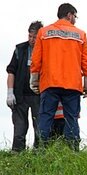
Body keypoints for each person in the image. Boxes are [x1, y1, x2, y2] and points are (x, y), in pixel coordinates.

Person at [30, 3, 87, 150]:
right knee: (72, 118)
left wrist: (34, 81)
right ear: (69, 15)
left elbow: (36, 59)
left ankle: (40, 150)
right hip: (73, 84)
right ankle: (73, 151)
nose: (75, 20)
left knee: (45, 117)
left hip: (49, 83)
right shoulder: (81, 34)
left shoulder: (44, 32)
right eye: (75, 16)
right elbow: (86, 61)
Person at [5, 21, 43, 152]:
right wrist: (10, 92)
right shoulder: (19, 49)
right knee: (19, 129)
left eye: (35, 37)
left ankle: (39, 156)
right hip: (20, 95)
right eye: (30, 36)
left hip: (38, 96)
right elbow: (11, 71)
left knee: (40, 130)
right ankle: (17, 156)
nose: (32, 40)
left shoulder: (46, 51)